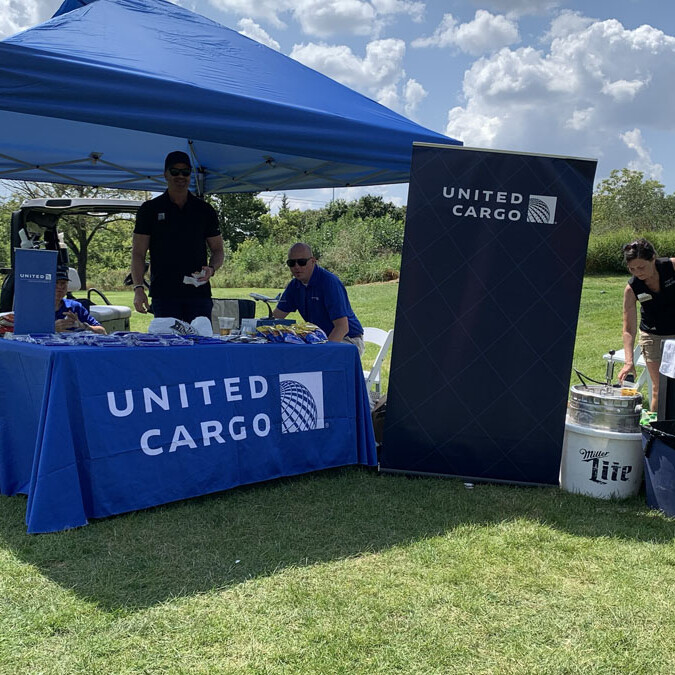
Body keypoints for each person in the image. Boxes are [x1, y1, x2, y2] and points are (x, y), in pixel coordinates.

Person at [131, 150, 224, 324]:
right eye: (175, 171)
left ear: (190, 175)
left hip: (199, 295)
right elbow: (138, 253)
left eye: (185, 172)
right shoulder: (149, 209)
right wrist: (138, 288)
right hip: (164, 295)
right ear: (165, 174)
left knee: (201, 346)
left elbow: (218, 250)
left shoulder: (204, 210)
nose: (180, 176)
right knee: (169, 347)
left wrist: (211, 269)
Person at [273, 242, 365, 355]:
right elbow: (275, 318)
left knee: (309, 361)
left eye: (302, 262)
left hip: (348, 340)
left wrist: (324, 354)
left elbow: (342, 327)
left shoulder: (329, 283)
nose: (297, 267)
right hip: (318, 340)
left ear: (313, 261)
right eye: (291, 263)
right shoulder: (294, 286)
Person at [618, 238, 675, 412]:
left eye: (641, 267)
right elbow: (628, 329)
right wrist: (629, 362)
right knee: (660, 389)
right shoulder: (632, 288)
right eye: (632, 269)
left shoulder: (671, 266)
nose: (637, 272)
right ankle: (657, 433)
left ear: (653, 259)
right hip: (653, 336)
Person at [54, 268, 106, 334]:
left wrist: (82, 326)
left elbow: (102, 331)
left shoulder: (75, 307)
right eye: (56, 282)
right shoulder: (38, 308)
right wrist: (52, 328)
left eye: (63, 283)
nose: (60, 287)